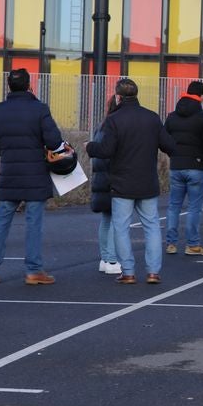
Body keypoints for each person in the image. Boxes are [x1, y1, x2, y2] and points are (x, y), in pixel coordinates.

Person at [86, 79, 177, 284]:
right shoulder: (151, 118)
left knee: (121, 227)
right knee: (152, 226)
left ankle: (128, 271)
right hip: (147, 181)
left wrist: (89, 146)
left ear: (118, 97)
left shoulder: (114, 120)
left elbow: (106, 150)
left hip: (122, 182)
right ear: (136, 94)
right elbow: (170, 146)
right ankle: (153, 272)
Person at [0, 68, 65, 286]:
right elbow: (55, 141)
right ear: (29, 85)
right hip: (35, 174)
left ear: (8, 85)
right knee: (33, 222)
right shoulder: (39, 109)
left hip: (9, 172)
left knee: (2, 221)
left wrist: (6, 150)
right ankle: (33, 270)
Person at [164, 80, 203, 257]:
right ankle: (192, 244)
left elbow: (164, 138)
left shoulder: (172, 116)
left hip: (176, 165)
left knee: (174, 206)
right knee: (194, 208)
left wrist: (173, 154)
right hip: (197, 165)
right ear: (201, 96)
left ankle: (171, 243)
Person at [91, 94, 120, 275]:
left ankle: (104, 257)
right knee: (117, 219)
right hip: (113, 177)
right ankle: (111, 259)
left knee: (106, 219)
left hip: (100, 178)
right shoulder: (115, 128)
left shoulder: (100, 128)